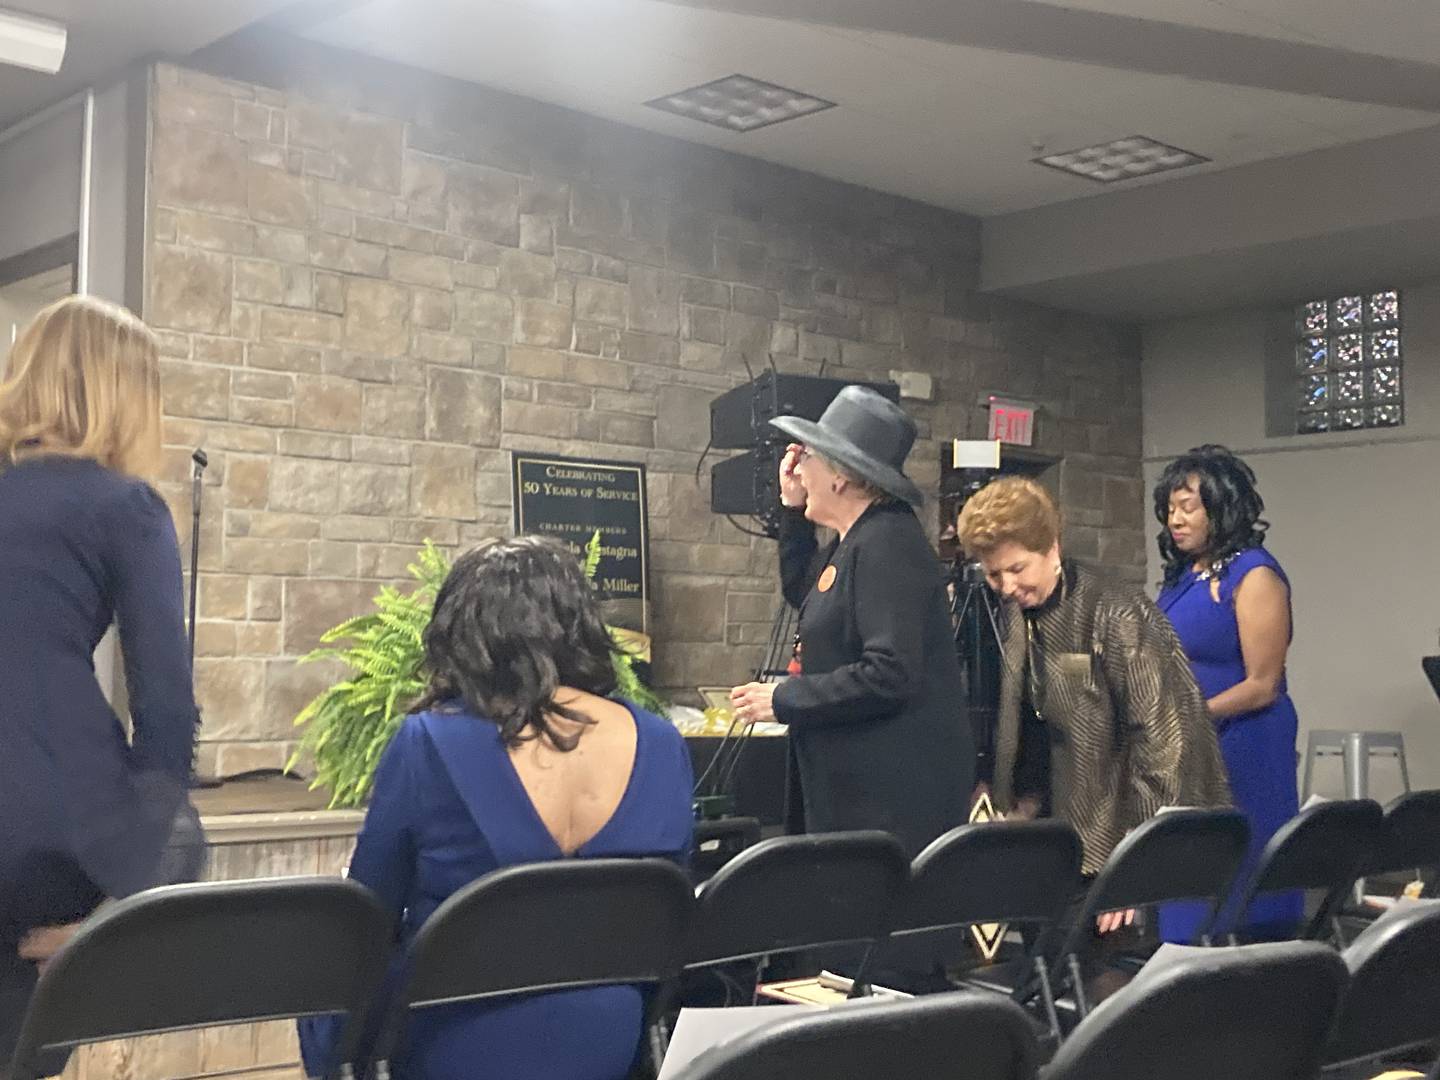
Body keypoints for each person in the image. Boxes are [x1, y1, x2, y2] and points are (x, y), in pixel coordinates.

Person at [298, 536, 694, 1080]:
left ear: (460, 634)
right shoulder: (662, 740)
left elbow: (368, 918)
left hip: (460, 1041)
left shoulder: (428, 742)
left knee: (327, 985)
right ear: (579, 624)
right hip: (610, 1038)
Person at [0, 296, 203, 1064]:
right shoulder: (124, 508)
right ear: (126, 399)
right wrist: (122, 905)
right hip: (35, 839)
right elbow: (166, 712)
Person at [729, 386, 973, 858]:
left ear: (841, 475)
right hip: (858, 800)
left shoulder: (887, 544)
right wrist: (792, 511)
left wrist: (784, 697)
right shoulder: (859, 539)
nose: (799, 469)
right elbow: (808, 592)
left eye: (808, 459)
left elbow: (890, 672)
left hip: (888, 808)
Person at [955, 476, 1229, 889]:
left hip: (1109, 848)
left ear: (1052, 549)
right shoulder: (1014, 613)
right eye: (994, 575)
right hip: (1041, 839)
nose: (1008, 587)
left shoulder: (1116, 613)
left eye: (1017, 569)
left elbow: (1164, 744)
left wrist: (1137, 863)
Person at [1154, 445, 1302, 941]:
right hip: (1192, 748)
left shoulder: (1254, 574)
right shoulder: (1185, 576)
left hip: (1244, 743)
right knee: (1190, 873)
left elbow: (1264, 685)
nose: (1176, 519)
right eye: (1170, 509)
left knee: (1241, 879)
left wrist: (1191, 717)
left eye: (1188, 507)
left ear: (1222, 506)